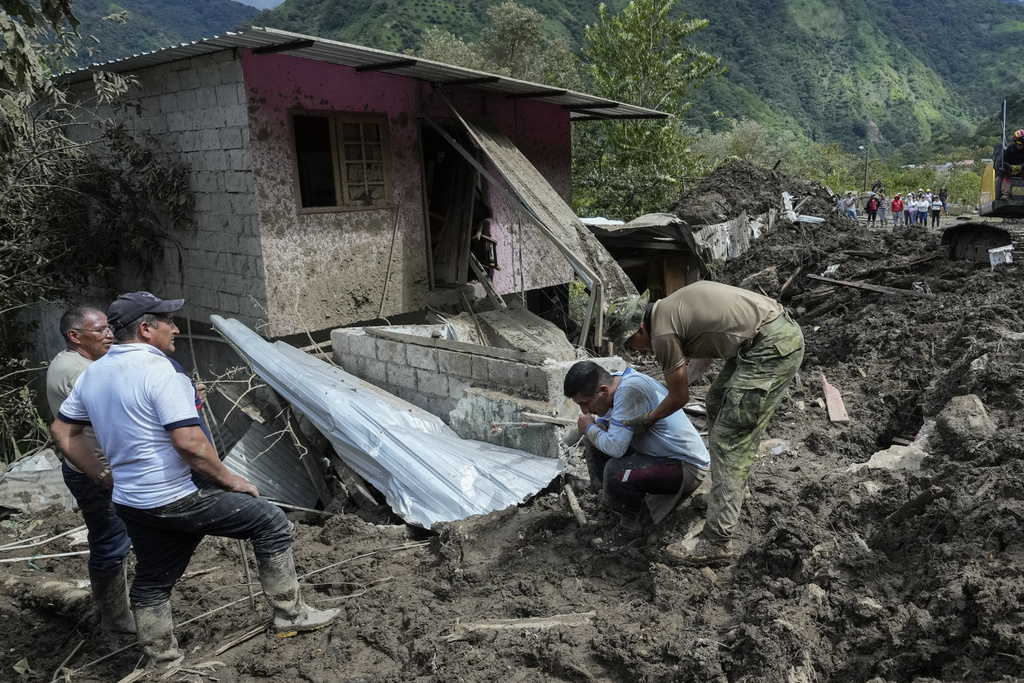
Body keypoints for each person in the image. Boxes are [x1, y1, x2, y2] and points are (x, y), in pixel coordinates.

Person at [51, 292, 338, 666]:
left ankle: (164, 659)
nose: (176, 328)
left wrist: (103, 476)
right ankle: (291, 615)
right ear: (145, 328)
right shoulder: (160, 371)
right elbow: (189, 444)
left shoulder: (95, 374)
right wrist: (231, 478)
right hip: (175, 497)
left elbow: (62, 430)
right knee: (270, 522)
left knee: (153, 580)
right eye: (168, 321)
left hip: (132, 501)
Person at [604, 281, 804, 564]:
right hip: (763, 337)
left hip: (771, 347)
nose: (633, 351)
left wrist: (648, 418)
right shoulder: (673, 309)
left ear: (639, 328)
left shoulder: (663, 333)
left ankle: (717, 541)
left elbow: (680, 397)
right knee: (716, 402)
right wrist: (666, 391)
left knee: (729, 439)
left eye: (628, 343)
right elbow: (704, 359)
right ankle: (734, 489)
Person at [46, 307, 135, 634]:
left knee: (113, 537)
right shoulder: (83, 373)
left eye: (109, 328)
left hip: (90, 467)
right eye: (100, 330)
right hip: (96, 471)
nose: (109, 334)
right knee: (111, 541)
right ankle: (115, 617)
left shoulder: (68, 362)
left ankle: (117, 607)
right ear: (75, 336)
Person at [563, 360, 709, 545]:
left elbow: (615, 449)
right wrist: (600, 425)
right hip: (659, 456)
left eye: (585, 403)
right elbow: (612, 421)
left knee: (616, 470)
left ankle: (629, 528)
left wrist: (591, 428)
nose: (584, 410)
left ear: (603, 391)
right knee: (594, 442)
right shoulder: (619, 383)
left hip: (686, 466)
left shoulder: (630, 391)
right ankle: (610, 505)